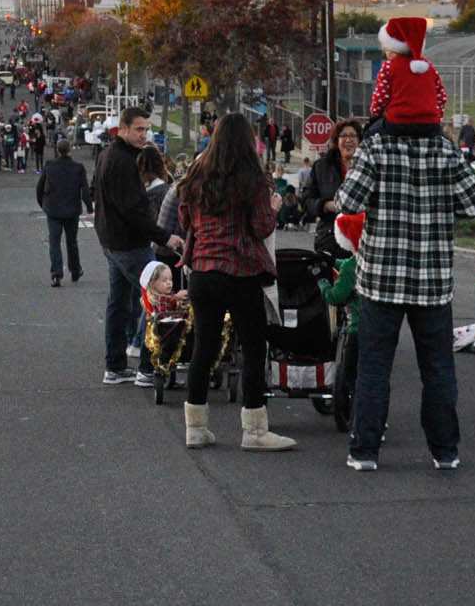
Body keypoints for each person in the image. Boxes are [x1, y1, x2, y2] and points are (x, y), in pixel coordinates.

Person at [334, 47, 475, 471]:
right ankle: (445, 451)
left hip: (381, 277)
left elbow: (348, 201)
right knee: (438, 369)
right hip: (433, 281)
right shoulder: (444, 150)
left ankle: (364, 450)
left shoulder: (376, 147)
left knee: (374, 367)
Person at [174, 113, 290, 451]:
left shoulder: (197, 174)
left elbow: (184, 217)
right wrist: (274, 206)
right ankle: (254, 430)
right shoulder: (252, 179)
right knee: (254, 347)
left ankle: (196, 428)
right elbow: (261, 226)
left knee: (204, 348)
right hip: (240, 272)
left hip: (204, 272)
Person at [92, 106, 160, 388]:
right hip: (129, 244)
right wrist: (165, 236)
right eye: (139, 129)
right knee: (156, 299)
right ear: (123, 129)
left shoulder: (110, 154)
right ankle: (146, 368)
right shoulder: (122, 161)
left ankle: (115, 366)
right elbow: (133, 211)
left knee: (118, 303)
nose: (144, 135)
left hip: (112, 242)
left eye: (146, 129)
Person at [306, 120, 363, 259]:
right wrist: (325, 205)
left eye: (353, 136)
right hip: (329, 239)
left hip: (363, 241)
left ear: (360, 140)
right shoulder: (321, 167)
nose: (348, 139)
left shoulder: (368, 165)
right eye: (343, 136)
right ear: (337, 141)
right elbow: (307, 200)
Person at [36, 139, 88, 287]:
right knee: (72, 241)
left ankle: (56, 274)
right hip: (72, 209)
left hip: (53, 209)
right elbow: (84, 189)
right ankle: (75, 269)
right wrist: (89, 207)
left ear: (58, 150)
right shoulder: (78, 168)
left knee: (54, 242)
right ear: (70, 149)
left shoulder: (50, 166)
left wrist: (42, 203)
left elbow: (40, 187)